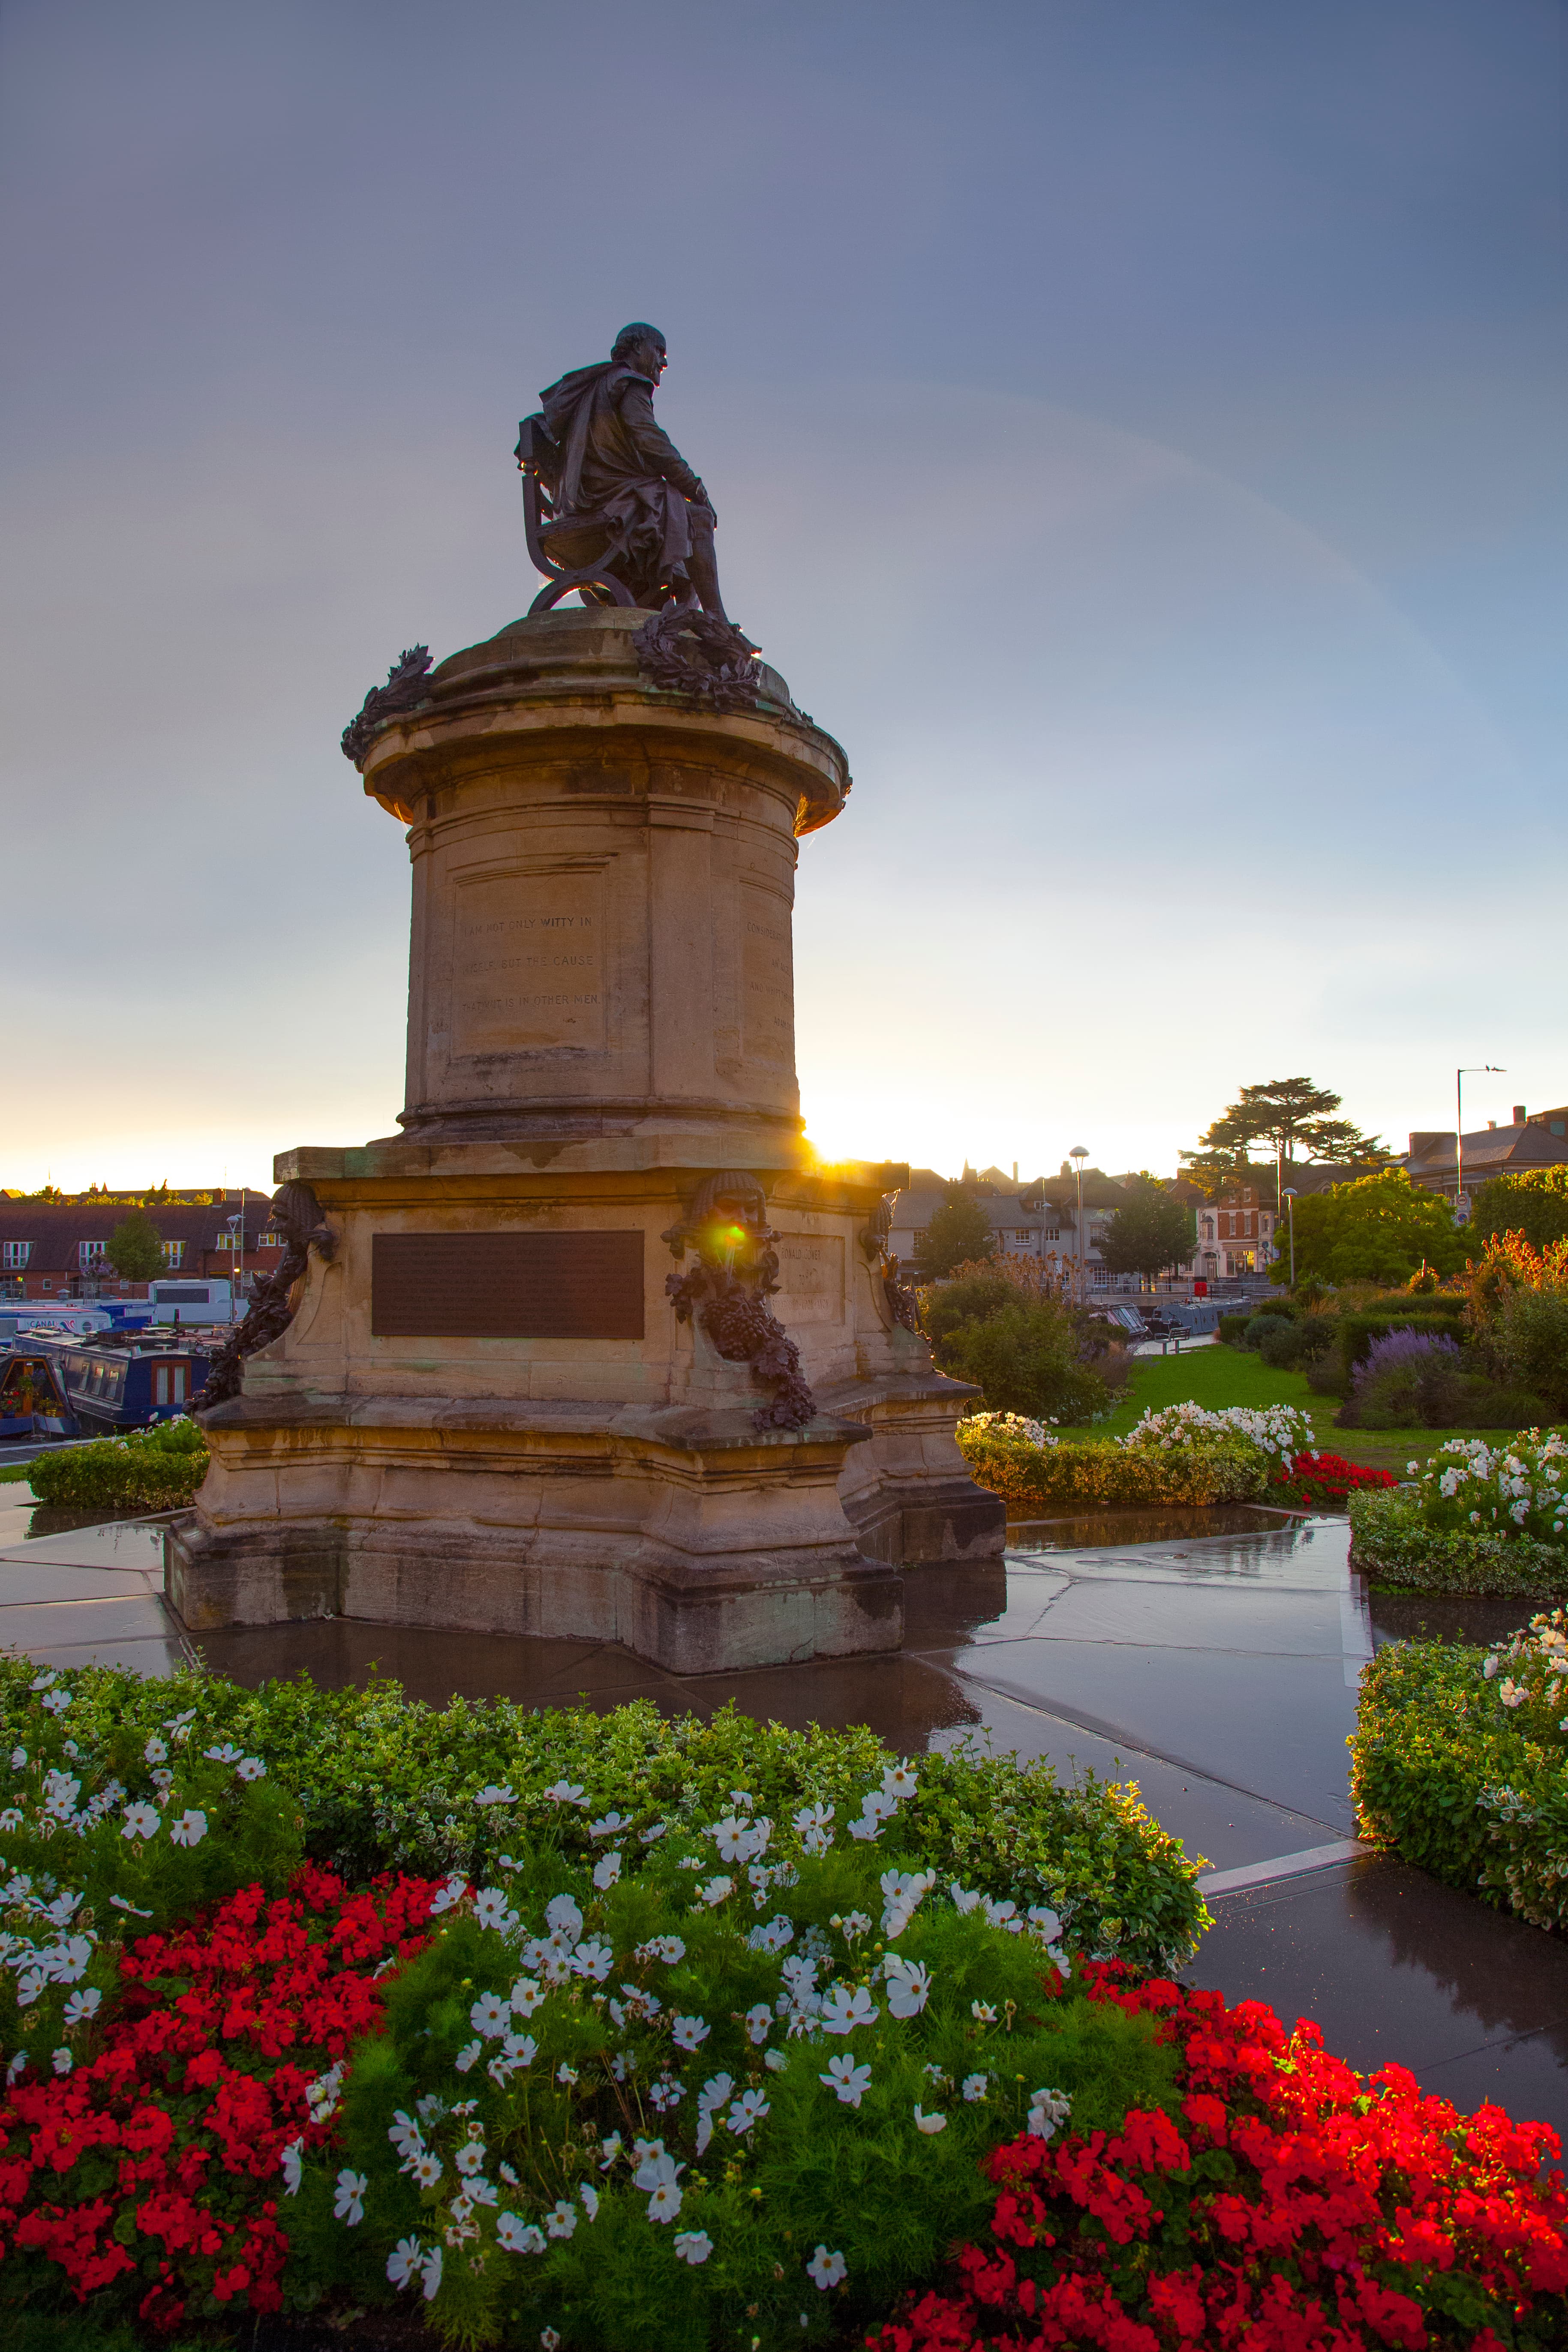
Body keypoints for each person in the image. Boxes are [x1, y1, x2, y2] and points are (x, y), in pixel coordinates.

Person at [526, 324, 732, 619]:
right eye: (659, 351)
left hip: (582, 505)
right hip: (606, 504)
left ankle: (688, 623)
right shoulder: (628, 383)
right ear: (637, 348)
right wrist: (696, 488)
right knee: (699, 518)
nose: (664, 362)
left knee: (684, 550)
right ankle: (718, 622)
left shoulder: (594, 389)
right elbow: (653, 444)